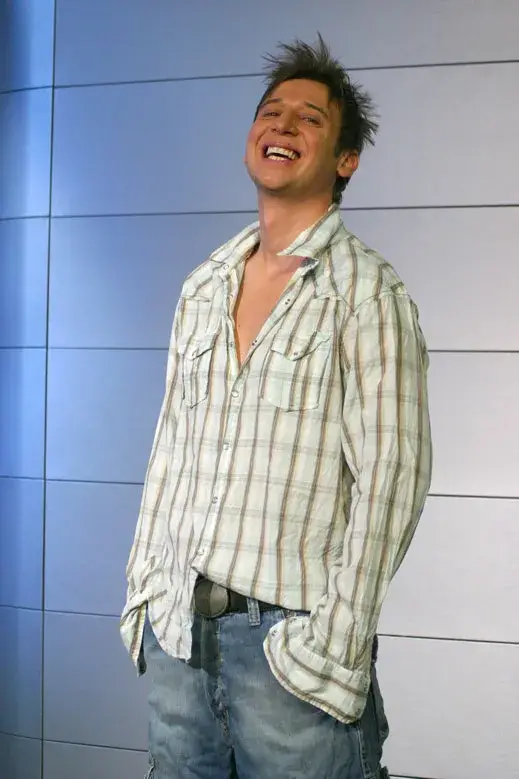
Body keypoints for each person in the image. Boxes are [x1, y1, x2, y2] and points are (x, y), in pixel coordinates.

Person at [121, 35, 432, 779]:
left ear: (346, 160)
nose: (282, 125)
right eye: (271, 112)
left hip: (289, 657)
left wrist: (335, 643)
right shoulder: (203, 287)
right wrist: (145, 596)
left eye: (309, 118)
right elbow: (169, 450)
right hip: (178, 640)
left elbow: (393, 477)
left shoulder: (366, 293)